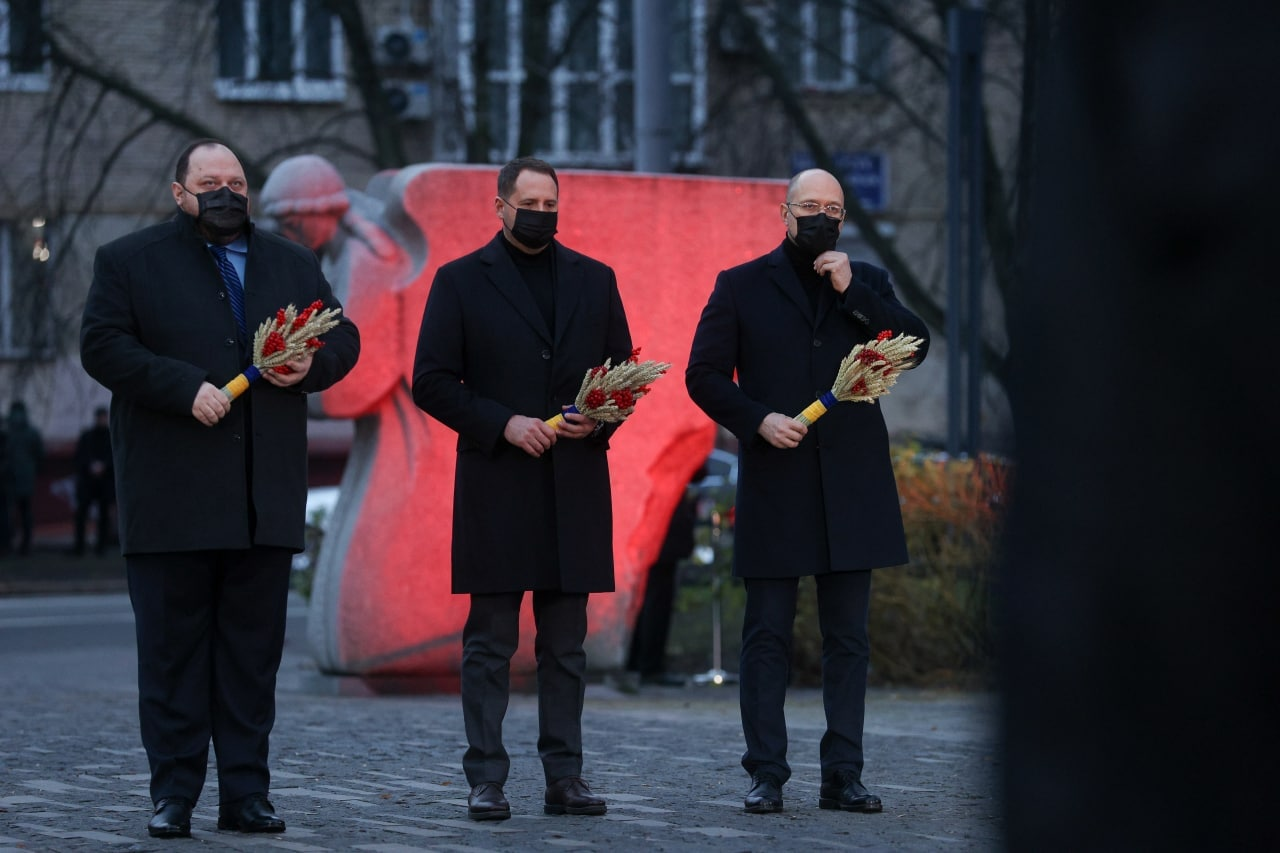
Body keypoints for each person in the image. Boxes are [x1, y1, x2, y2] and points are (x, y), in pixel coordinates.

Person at [79, 139, 360, 840]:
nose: (225, 193)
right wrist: (183, 388)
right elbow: (103, 345)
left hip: (263, 498)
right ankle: (173, 793)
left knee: (249, 660)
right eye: (210, 182)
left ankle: (246, 794)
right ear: (180, 193)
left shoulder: (291, 262)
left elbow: (343, 335)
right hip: (171, 498)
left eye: (235, 181)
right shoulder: (128, 262)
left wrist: (311, 369)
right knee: (173, 658)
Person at [685, 168, 930, 815]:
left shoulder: (867, 281)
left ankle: (842, 773)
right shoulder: (740, 286)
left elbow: (916, 345)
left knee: (848, 638)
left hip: (853, 486)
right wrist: (756, 418)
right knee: (766, 634)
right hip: (777, 480)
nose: (822, 216)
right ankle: (766, 771)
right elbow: (703, 374)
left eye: (834, 208)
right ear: (784, 213)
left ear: (844, 218)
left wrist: (856, 292)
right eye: (810, 206)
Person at [412, 157, 632, 821]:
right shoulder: (459, 282)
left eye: (550, 201)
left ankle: (565, 777)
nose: (541, 211)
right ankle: (486, 776)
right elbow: (431, 380)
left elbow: (623, 375)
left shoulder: (596, 279)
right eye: (529, 200)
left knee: (566, 646)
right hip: (498, 486)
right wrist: (501, 423)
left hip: (575, 486)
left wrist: (599, 415)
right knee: (490, 644)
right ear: (500, 205)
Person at [625, 465, 701, 685]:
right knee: (657, 599)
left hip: (650, 526)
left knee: (647, 596)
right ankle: (650, 665)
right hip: (664, 529)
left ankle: (638, 661)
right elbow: (697, 469)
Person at [72, 405, 114, 556]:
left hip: (103, 483)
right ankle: (80, 546)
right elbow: (80, 456)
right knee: (82, 514)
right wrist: (91, 467)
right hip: (89, 482)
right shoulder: (89, 436)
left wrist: (103, 467)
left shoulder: (109, 436)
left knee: (103, 516)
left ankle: (101, 547)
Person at [4, 400, 43, 556]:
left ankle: (7, 544)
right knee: (26, 511)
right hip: (27, 476)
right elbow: (40, 454)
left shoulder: (7, 431)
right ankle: (26, 544)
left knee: (7, 512)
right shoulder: (32, 432)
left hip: (8, 476)